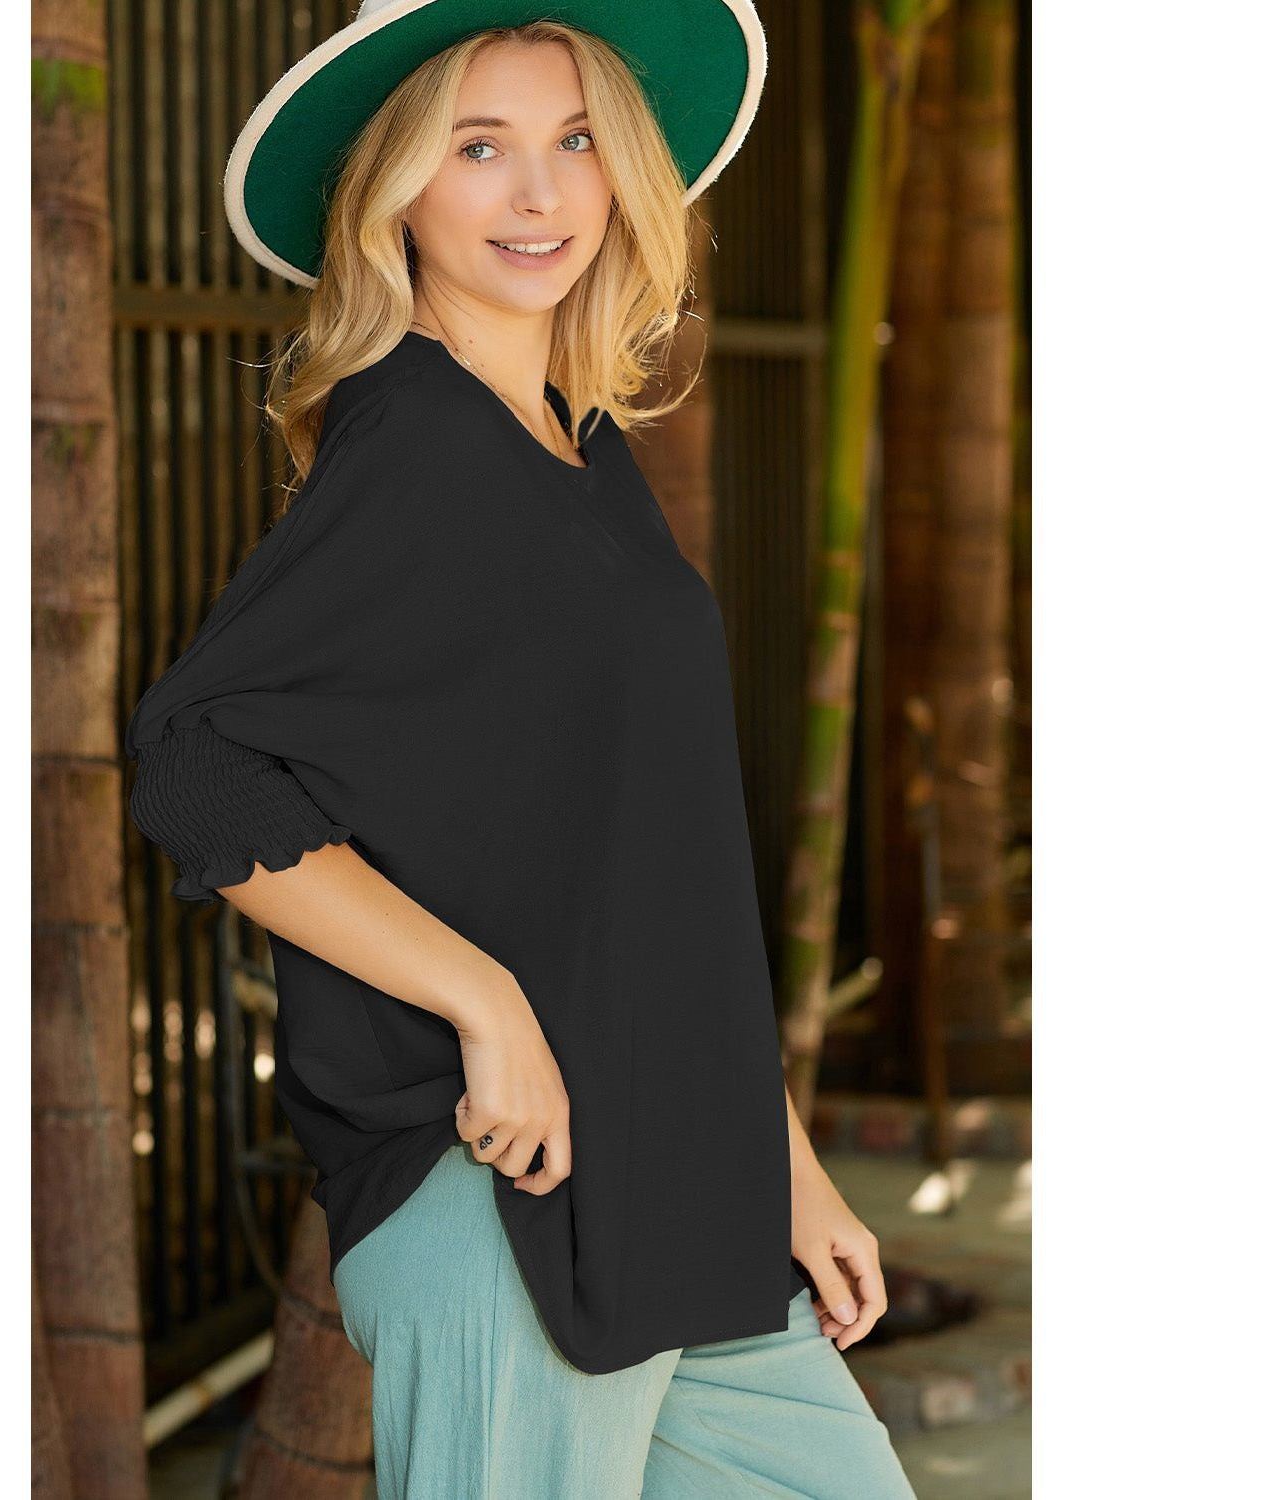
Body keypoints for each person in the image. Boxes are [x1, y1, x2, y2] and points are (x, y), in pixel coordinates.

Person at [125, 2, 917, 1495]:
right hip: (508, 1204)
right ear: (395, 189)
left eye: (577, 141)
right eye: (478, 147)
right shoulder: (412, 442)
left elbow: (656, 874)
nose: (540, 191)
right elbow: (194, 766)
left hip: (685, 1183)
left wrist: (788, 1168)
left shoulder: (577, 448)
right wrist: (483, 1003)